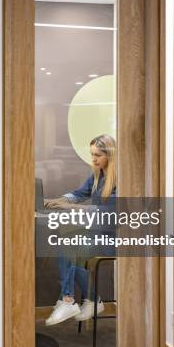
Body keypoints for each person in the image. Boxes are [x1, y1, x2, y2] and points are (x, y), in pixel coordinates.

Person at [43, 134, 116, 326]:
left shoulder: (119, 180)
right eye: (92, 154)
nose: (93, 159)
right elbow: (78, 194)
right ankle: (91, 300)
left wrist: (70, 207)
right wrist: (59, 201)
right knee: (66, 247)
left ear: (111, 155)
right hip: (96, 235)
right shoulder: (98, 176)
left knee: (71, 250)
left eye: (98, 155)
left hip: (113, 240)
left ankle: (70, 300)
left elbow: (107, 213)